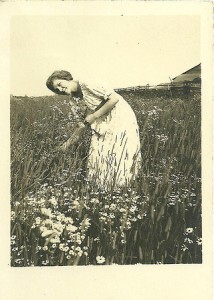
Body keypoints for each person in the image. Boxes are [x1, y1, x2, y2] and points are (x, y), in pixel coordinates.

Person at [46, 70, 141, 189]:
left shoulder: (87, 83)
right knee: (98, 154)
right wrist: (66, 145)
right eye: (56, 90)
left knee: (119, 152)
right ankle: (103, 189)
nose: (59, 90)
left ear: (66, 78)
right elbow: (82, 125)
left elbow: (114, 99)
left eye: (59, 84)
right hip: (101, 122)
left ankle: (122, 187)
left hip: (120, 117)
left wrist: (94, 116)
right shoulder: (73, 101)